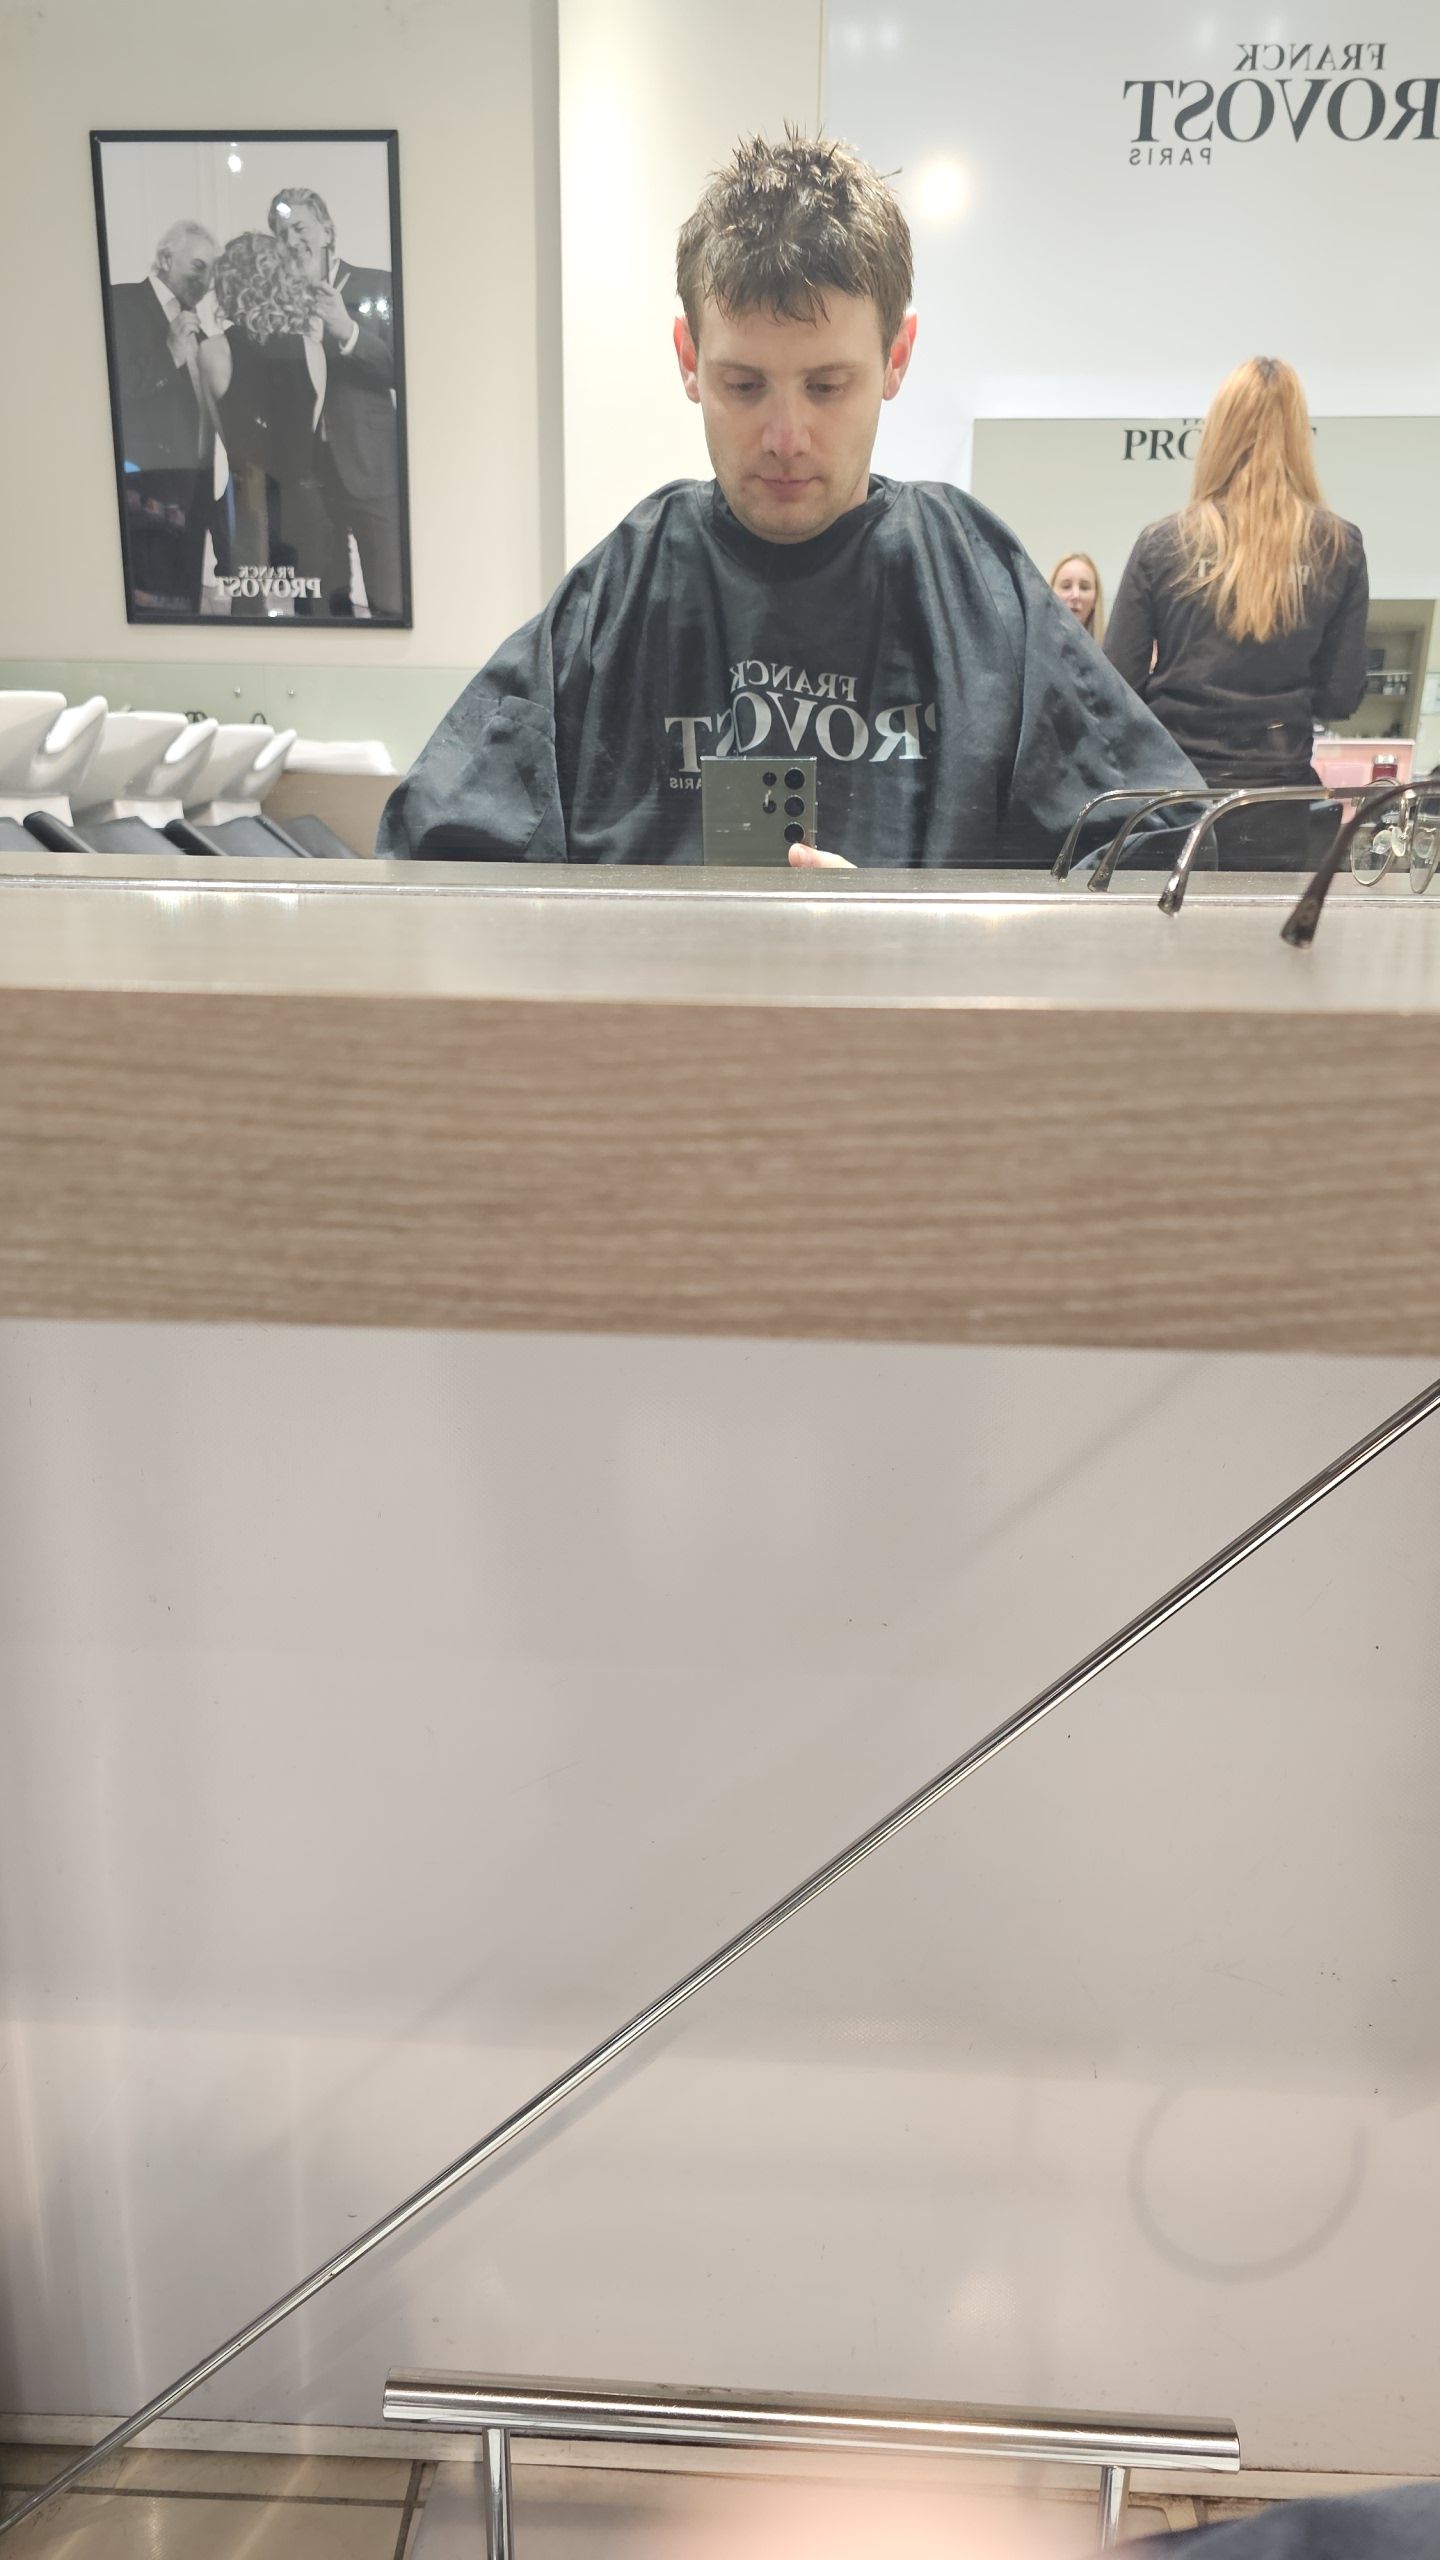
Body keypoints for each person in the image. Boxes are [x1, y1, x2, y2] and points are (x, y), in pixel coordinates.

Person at [379, 132, 1198, 868]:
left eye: (828, 385)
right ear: (688, 357)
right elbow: (437, 854)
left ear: (897, 356)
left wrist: (914, 939)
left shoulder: (982, 590)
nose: (786, 437)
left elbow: (1158, 846)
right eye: (744, 385)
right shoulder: (619, 596)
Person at [1104, 357, 1369, 866]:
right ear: (1298, 435)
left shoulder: (1164, 542)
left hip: (1175, 797)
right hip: (1280, 803)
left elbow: (1118, 684)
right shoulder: (1339, 546)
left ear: (1217, 433)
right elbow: (1341, 694)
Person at [267, 186, 403, 619]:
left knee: (391, 602)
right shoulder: (273, 303)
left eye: (300, 228)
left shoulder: (378, 283)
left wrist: (347, 330)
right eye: (282, 234)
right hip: (306, 478)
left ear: (326, 231)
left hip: (372, 468)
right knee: (319, 608)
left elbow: (399, 370)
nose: (292, 241)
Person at [198, 232, 346, 616]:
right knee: (314, 623)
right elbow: (305, 437)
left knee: (249, 624)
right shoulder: (312, 351)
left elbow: (226, 437)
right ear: (285, 280)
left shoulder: (211, 352)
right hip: (304, 512)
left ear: (228, 284)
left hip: (246, 510)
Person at [107, 219, 219, 613]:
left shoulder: (199, 331)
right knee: (151, 612)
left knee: (187, 606)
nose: (207, 281)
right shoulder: (119, 302)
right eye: (199, 266)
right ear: (166, 258)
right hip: (145, 492)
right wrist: (169, 354)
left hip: (195, 489)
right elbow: (111, 391)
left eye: (212, 272)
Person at [1051, 553, 1104, 641]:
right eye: (1066, 586)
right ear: (1051, 595)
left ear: (1095, 599)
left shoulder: (1110, 647)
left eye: (1084, 587)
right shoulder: (1032, 645)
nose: (1076, 595)